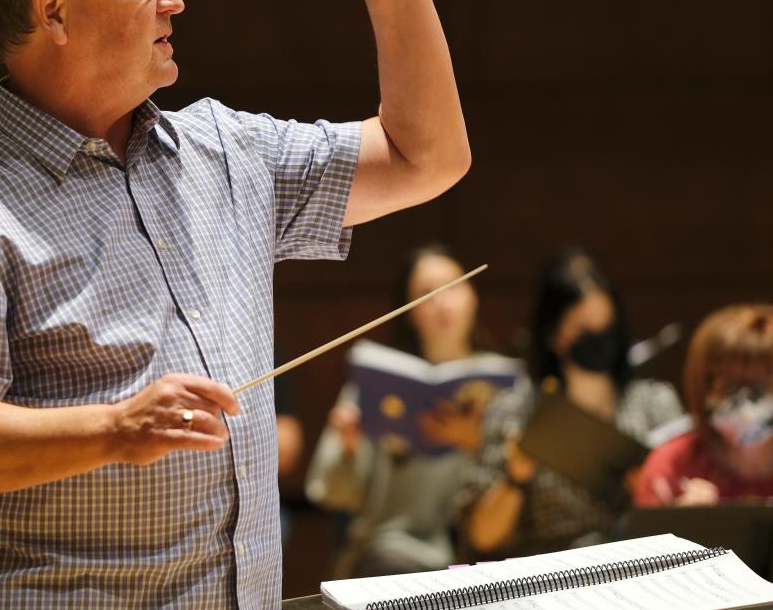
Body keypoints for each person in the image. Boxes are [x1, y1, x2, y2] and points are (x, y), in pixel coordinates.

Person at [0, 0, 471, 609]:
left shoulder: (226, 151)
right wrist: (114, 428)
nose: (174, 0)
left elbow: (428, 155)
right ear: (51, 9)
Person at [464, 247, 683, 558]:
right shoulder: (516, 411)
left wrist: (651, 494)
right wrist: (516, 479)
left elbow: (685, 516)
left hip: (637, 561)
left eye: (606, 326)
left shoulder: (655, 405)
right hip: (552, 569)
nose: (598, 336)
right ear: (553, 335)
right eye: (583, 328)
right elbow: (483, 537)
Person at [305, 245, 502, 577]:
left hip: (480, 552)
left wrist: (478, 443)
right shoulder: (376, 384)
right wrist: (351, 447)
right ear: (409, 310)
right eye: (427, 292)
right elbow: (334, 495)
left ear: (473, 296)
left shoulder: (502, 387)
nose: (442, 301)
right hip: (390, 554)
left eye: (454, 286)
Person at [634, 304, 773, 507]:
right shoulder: (672, 466)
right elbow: (640, 535)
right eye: (728, 385)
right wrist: (683, 525)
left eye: (761, 386)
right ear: (703, 386)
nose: (745, 403)